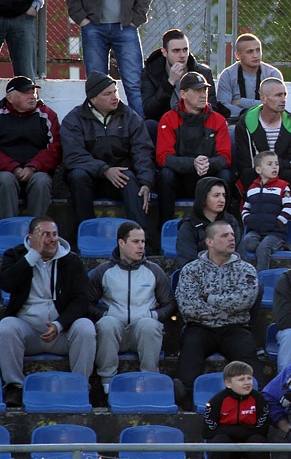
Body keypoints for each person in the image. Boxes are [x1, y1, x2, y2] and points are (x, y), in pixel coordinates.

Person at [0, 216, 95, 408]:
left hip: (62, 331)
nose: (52, 240)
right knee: (6, 326)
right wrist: (32, 256)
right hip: (28, 332)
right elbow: (6, 283)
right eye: (45, 235)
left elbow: (82, 300)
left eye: (55, 235)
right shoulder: (16, 255)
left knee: (85, 327)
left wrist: (60, 324)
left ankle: (80, 385)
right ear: (32, 237)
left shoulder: (72, 261)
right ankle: (14, 387)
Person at [173, 221, 263, 408]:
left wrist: (211, 299)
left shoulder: (245, 269)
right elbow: (188, 307)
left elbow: (244, 301)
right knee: (190, 348)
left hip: (235, 328)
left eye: (232, 234)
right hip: (200, 327)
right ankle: (186, 398)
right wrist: (226, 312)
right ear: (209, 242)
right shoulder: (191, 270)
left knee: (247, 352)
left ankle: (257, 397)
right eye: (224, 235)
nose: (232, 238)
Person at [61, 72, 154, 240]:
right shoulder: (74, 119)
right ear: (93, 99)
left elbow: (143, 151)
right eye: (108, 93)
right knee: (77, 176)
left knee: (130, 179)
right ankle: (86, 236)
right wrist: (104, 170)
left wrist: (146, 182)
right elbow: (73, 156)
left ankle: (142, 239)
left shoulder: (130, 117)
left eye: (115, 91)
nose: (115, 97)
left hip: (120, 177)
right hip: (91, 177)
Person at [87, 222, 175, 394]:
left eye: (143, 241)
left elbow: (170, 304)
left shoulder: (154, 271)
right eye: (136, 241)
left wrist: (152, 315)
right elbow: (87, 303)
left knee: (149, 325)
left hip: (141, 333)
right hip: (115, 333)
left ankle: (150, 380)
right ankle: (107, 383)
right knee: (107, 323)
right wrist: (105, 313)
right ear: (121, 243)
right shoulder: (103, 271)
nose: (141, 246)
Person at [157, 71, 232, 226]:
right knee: (166, 175)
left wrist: (208, 164)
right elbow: (163, 157)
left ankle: (224, 226)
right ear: (183, 94)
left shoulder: (218, 120)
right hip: (181, 180)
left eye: (204, 90)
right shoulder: (169, 119)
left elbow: (225, 157)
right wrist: (193, 163)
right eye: (197, 91)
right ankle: (165, 227)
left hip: (208, 179)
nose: (203, 95)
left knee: (225, 175)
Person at [0, 76, 60, 219]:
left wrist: (33, 167)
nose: (32, 97)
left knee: (42, 181)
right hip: (6, 171)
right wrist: (13, 167)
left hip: (36, 171)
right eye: (26, 93)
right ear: (10, 97)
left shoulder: (47, 115)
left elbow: (55, 147)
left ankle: (37, 229)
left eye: (33, 92)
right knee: (5, 180)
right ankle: (8, 230)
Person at [234, 78, 291, 197]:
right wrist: (266, 168)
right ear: (263, 98)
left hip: (283, 172)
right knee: (248, 174)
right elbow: (246, 161)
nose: (283, 100)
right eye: (278, 95)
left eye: (284, 95)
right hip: (257, 171)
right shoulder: (245, 123)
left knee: (290, 176)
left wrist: (272, 167)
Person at [141, 28, 220, 124]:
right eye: (176, 51)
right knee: (150, 125)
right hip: (166, 124)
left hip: (195, 123)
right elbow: (149, 111)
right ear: (164, 52)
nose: (182, 55)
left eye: (185, 50)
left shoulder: (202, 72)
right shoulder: (151, 72)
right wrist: (170, 83)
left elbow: (213, 107)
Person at [204, 360, 270, 459]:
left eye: (249, 378)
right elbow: (207, 432)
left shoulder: (259, 400)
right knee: (220, 441)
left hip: (250, 440)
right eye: (241, 379)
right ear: (228, 383)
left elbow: (263, 430)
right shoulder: (217, 401)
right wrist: (235, 431)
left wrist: (242, 432)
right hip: (226, 441)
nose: (247, 383)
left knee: (258, 442)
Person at [241, 151, 291, 271]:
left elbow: (289, 207)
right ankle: (279, 247)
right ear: (259, 170)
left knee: (263, 248)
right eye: (270, 164)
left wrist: (278, 222)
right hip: (256, 230)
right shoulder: (252, 188)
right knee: (246, 243)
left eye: (276, 164)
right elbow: (245, 207)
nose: (275, 167)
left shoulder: (283, 186)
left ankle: (261, 277)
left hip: (275, 231)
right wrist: (247, 220)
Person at [175, 176, 243, 269]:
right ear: (203, 199)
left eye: (224, 195)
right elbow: (187, 263)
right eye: (216, 195)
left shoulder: (231, 222)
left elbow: (240, 256)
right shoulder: (189, 226)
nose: (222, 200)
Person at [217, 33, 284, 122]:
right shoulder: (227, 75)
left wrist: (241, 102)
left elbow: (276, 104)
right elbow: (223, 107)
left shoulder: (272, 74)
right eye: (250, 52)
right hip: (235, 123)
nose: (255, 55)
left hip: (267, 123)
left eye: (258, 50)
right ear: (238, 55)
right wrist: (248, 113)